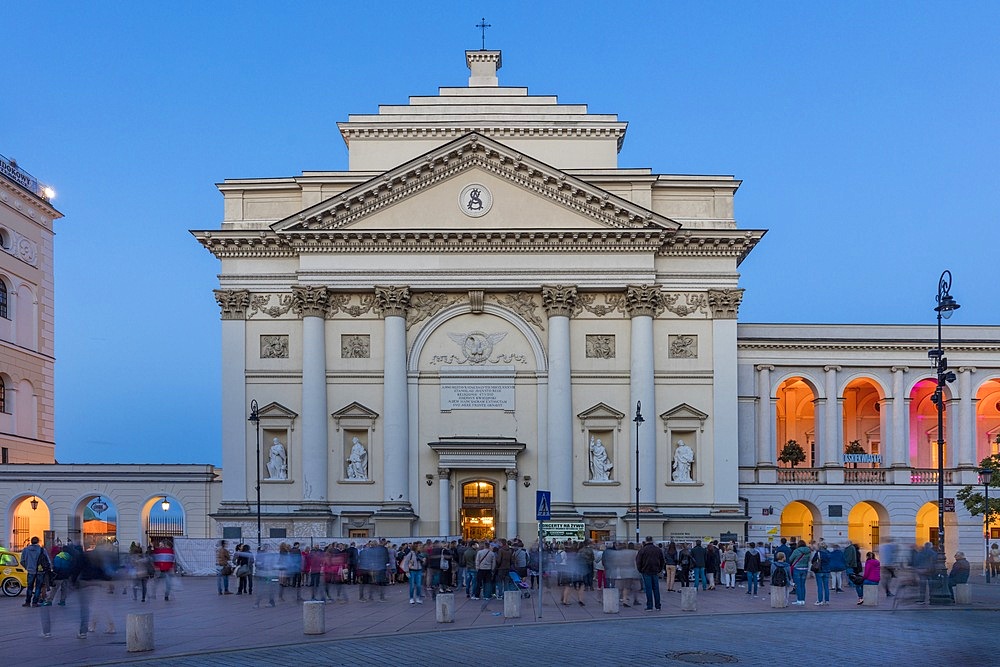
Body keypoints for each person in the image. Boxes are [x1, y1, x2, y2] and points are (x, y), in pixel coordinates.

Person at [20, 536, 51, 607]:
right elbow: (48, 561)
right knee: (38, 587)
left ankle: (27, 602)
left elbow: (22, 561)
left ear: (31, 541)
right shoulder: (42, 550)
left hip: (30, 571)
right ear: (38, 541)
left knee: (30, 587)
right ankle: (34, 602)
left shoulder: (26, 550)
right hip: (40, 571)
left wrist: (27, 567)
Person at [636, 536, 665, 611]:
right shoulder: (658, 550)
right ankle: (658, 605)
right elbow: (662, 560)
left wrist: (640, 570)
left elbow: (638, 561)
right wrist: (659, 569)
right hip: (655, 571)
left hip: (646, 571)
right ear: (652, 540)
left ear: (646, 541)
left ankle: (650, 606)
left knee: (648, 589)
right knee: (656, 588)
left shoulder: (642, 550)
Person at [788, 540, 811, 605]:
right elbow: (809, 559)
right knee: (803, 585)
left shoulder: (796, 551)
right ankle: (803, 600)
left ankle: (799, 600)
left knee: (798, 585)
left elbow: (790, 559)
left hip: (797, 568)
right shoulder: (808, 551)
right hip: (805, 568)